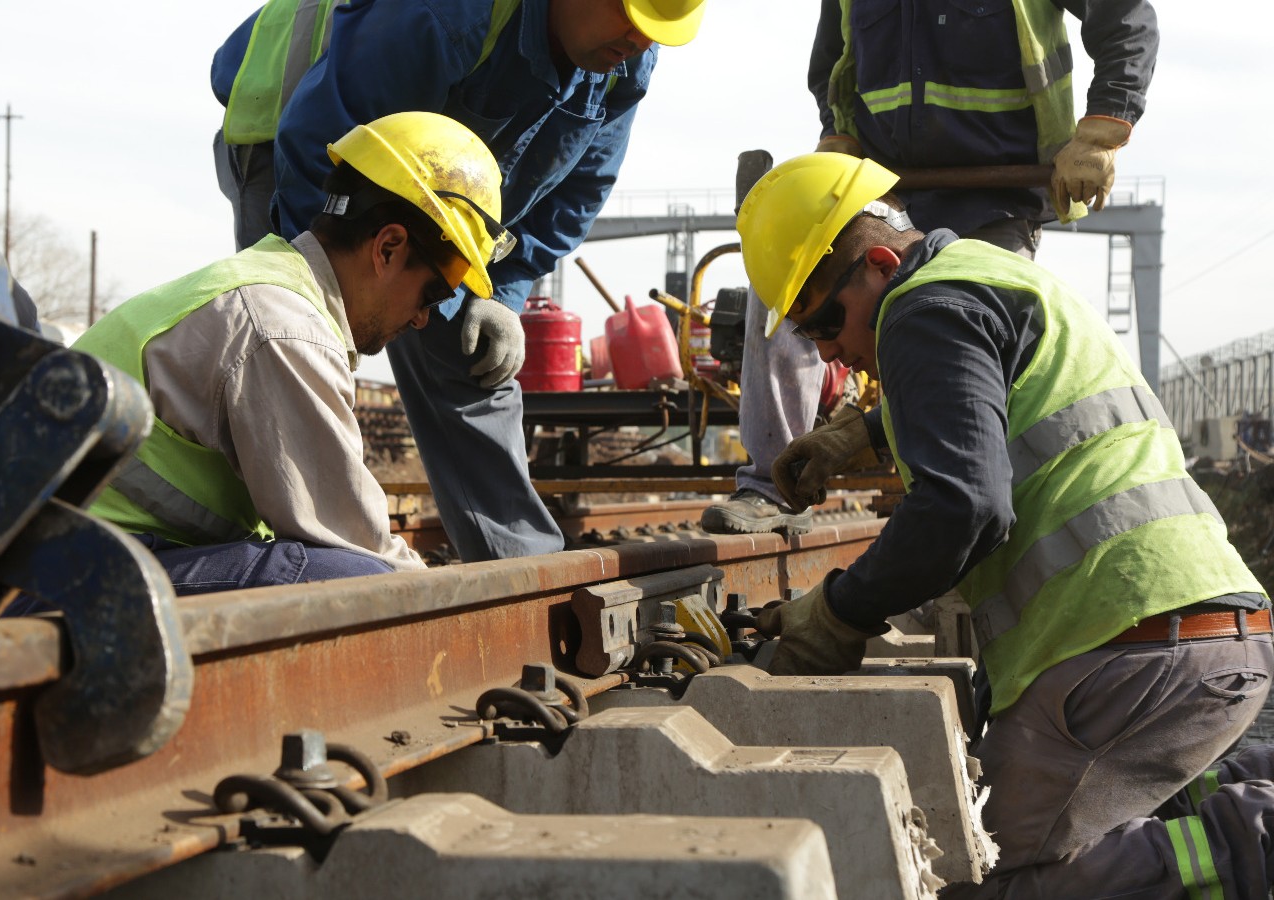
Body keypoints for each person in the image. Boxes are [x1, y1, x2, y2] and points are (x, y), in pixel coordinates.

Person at [741, 152, 1274, 896]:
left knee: (997, 879)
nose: (828, 348)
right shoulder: (990, 275)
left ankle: (1254, 842)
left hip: (1126, 650)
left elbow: (962, 506)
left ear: (883, 264)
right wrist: (864, 432)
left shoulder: (920, 308)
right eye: (807, 333)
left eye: (826, 318)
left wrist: (837, 614)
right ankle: (1240, 795)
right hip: (1199, 631)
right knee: (1109, 824)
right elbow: (998, 394)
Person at [211, 0, 707, 562]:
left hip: (427, 179)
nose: (641, 40)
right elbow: (319, 134)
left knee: (474, 360)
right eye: (632, 19)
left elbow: (581, 188)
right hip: (296, 137)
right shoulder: (445, 12)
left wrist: (499, 292)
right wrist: (328, 299)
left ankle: (521, 579)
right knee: (287, 351)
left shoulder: (626, 56)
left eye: (654, 30)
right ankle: (263, 565)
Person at [702, 0, 1158, 536]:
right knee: (786, 286)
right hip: (882, 190)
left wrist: (1104, 125)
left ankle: (966, 506)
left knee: (977, 356)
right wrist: (838, 130)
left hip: (994, 198)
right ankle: (769, 487)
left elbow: (1124, 16)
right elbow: (831, 61)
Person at [75, 112, 510, 592]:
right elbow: (353, 541)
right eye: (431, 294)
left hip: (76, 552)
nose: (423, 318)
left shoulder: (269, 286)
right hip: (61, 578)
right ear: (388, 248)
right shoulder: (282, 328)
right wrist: (447, 608)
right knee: (355, 579)